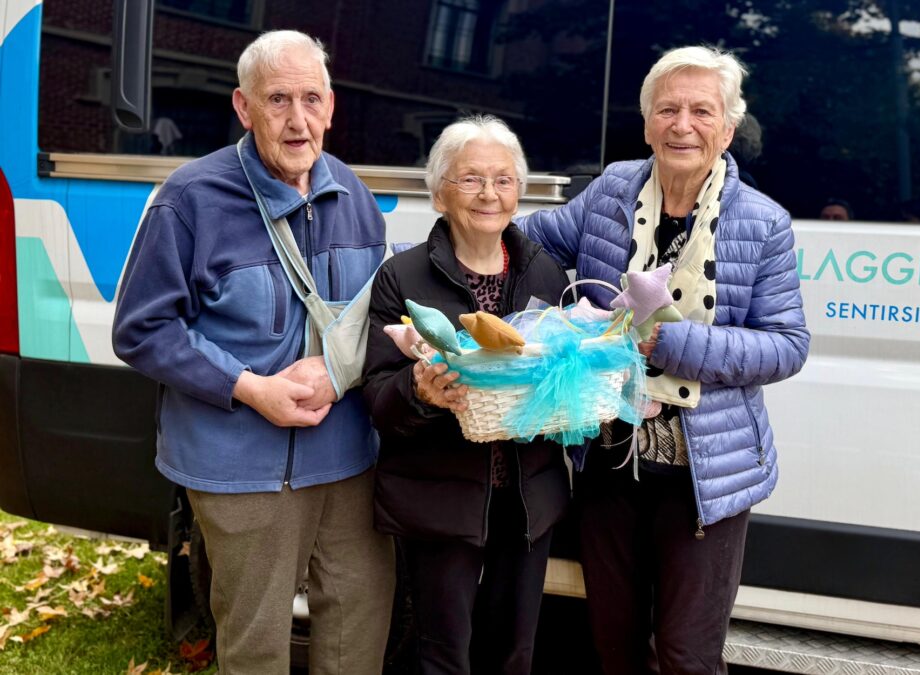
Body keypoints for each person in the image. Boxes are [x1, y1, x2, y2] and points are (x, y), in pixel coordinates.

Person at [520, 46, 810, 674]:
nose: (683, 125)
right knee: (615, 648)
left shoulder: (764, 224)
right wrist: (434, 256)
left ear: (727, 129)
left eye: (702, 111)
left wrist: (671, 345)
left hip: (704, 477)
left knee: (686, 656)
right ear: (648, 123)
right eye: (668, 110)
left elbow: (788, 345)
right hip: (609, 462)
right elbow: (526, 243)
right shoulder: (612, 192)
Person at [112, 30, 395, 674]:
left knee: (359, 631)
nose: (297, 121)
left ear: (331, 106)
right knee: (255, 647)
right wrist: (249, 386)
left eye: (310, 99)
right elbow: (141, 328)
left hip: (349, 461)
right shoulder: (189, 199)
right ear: (243, 108)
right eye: (277, 101)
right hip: (239, 468)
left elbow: (372, 317)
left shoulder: (353, 194)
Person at [361, 115, 571, 675]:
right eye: (470, 179)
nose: (489, 194)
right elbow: (378, 400)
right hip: (439, 497)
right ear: (438, 194)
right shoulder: (401, 277)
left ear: (518, 193)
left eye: (503, 180)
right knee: (443, 653)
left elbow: (561, 376)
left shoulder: (546, 273)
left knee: (513, 653)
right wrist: (420, 391)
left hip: (528, 496)